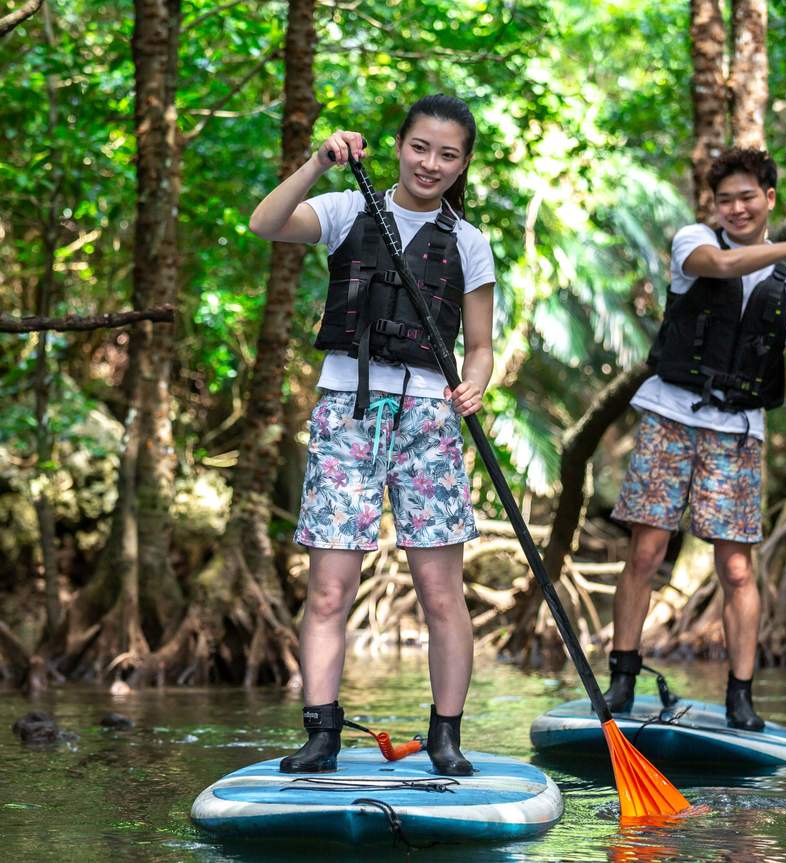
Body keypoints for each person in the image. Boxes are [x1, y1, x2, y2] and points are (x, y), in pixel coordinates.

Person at [249, 95, 494, 775]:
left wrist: (476, 382)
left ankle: (444, 735)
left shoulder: (468, 242)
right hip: (347, 410)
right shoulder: (346, 209)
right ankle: (321, 734)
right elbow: (264, 222)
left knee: (440, 591)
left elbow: (479, 346)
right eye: (420, 147)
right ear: (398, 146)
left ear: (463, 162)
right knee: (329, 588)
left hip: (429, 420)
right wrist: (317, 161)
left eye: (448, 154)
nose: (431, 163)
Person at [605, 147, 786, 730]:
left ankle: (740, 693)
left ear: (769, 199)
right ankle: (621, 675)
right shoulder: (695, 241)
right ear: (712, 206)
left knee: (737, 569)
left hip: (737, 430)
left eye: (748, 197)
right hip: (671, 414)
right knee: (645, 551)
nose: (736, 208)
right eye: (726, 200)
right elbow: (724, 266)